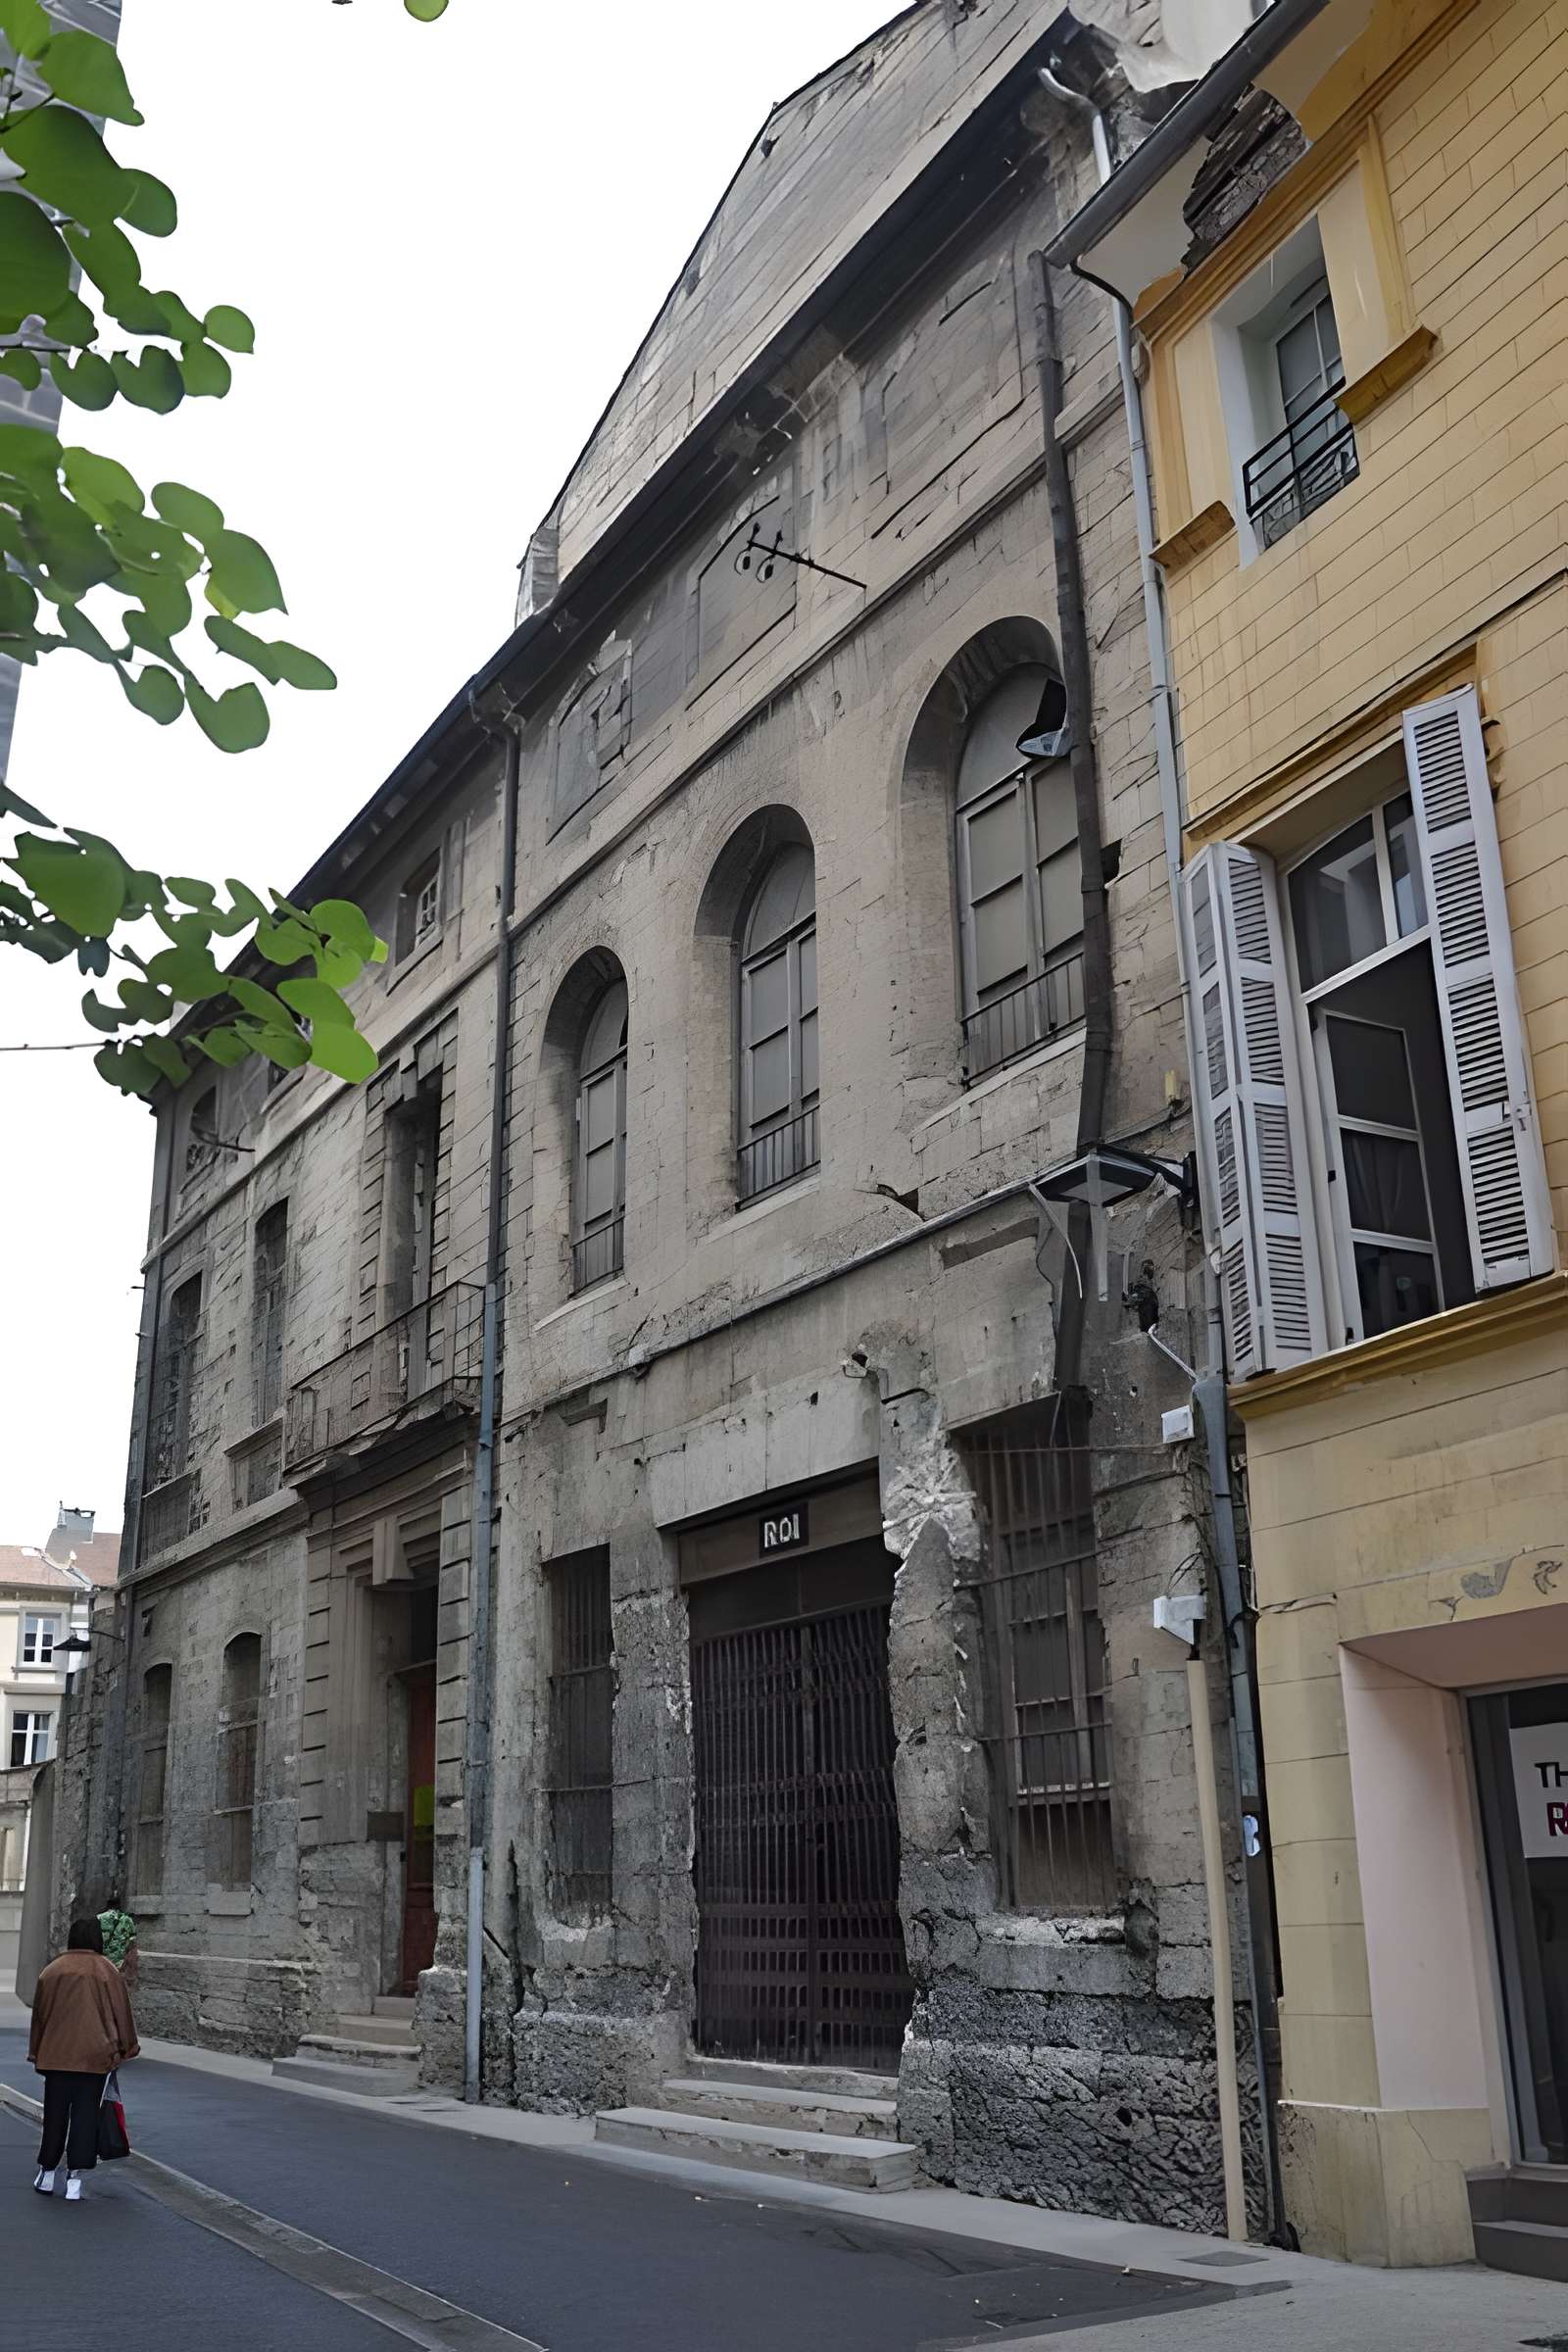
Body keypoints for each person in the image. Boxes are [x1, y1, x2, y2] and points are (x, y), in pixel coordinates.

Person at [27, 1915, 139, 2202]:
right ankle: (75, 2179)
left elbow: (39, 2016)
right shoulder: (106, 1971)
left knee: (55, 2115)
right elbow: (121, 2013)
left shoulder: (51, 1971)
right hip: (95, 2057)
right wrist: (128, 2047)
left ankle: (47, 2172)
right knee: (86, 2116)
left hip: (56, 2055)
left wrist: (37, 2050)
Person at [98, 1890, 138, 1987]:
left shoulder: (99, 1918)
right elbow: (133, 1941)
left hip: (102, 1962)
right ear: (119, 1904)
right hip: (119, 1964)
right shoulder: (127, 1920)